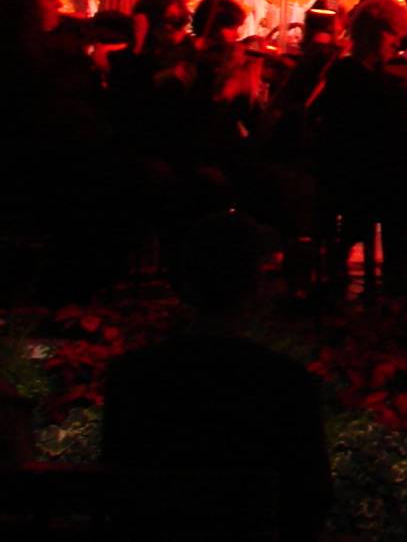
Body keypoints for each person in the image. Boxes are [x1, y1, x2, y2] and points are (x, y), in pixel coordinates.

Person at [103, 211, 332, 540]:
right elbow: (310, 497)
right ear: (256, 284)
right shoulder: (285, 382)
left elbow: (119, 489)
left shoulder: (132, 376)